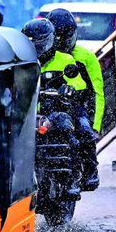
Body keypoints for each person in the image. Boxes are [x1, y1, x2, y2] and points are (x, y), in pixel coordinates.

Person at [22, 18, 99, 194]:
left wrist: (69, 88)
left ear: (51, 41)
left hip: (55, 111)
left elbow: (78, 81)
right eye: (32, 44)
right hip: (27, 113)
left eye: (41, 44)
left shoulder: (65, 59)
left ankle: (74, 178)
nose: (37, 49)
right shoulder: (23, 62)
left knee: (72, 128)